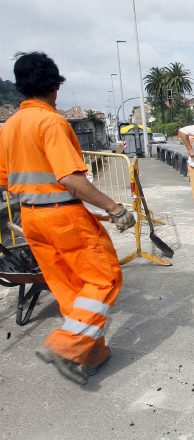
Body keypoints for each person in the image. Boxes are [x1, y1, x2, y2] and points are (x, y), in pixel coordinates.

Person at [0, 52, 136, 385]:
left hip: (31, 219)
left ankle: (89, 355)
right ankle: (66, 345)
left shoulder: (9, 126)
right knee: (105, 278)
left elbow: (5, 179)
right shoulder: (51, 122)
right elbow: (70, 179)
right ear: (54, 86)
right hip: (63, 218)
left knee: (71, 289)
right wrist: (114, 208)